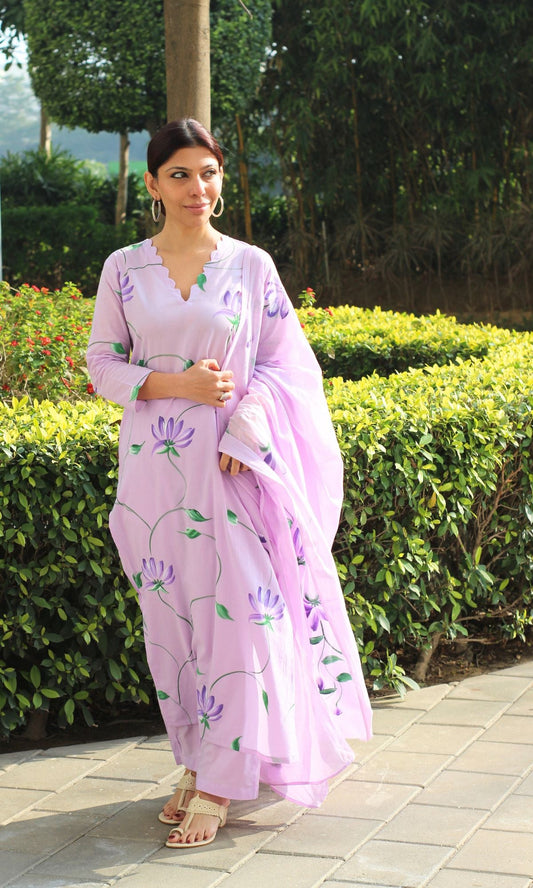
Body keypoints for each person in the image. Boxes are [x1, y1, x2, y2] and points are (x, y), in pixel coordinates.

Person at [86, 118, 372, 849]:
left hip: (229, 468)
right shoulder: (124, 268)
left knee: (242, 619)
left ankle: (221, 780)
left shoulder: (251, 266)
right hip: (154, 481)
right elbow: (102, 366)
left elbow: (286, 363)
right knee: (176, 625)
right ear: (152, 185)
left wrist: (249, 419)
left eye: (208, 172)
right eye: (180, 174)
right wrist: (174, 383)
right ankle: (198, 759)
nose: (198, 188)